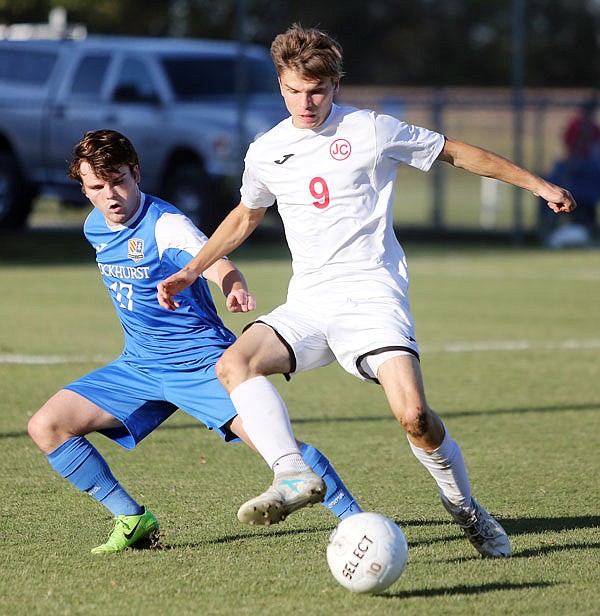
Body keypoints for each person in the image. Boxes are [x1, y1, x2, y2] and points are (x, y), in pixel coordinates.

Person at [157, 25, 577, 558]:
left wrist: (538, 185)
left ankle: (465, 508)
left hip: (372, 296)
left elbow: (455, 153)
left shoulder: (371, 130)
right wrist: (193, 270)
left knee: (415, 419)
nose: (305, 102)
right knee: (234, 364)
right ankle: (292, 475)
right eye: (293, 90)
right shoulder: (266, 150)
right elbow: (246, 214)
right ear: (279, 85)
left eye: (317, 90)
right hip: (309, 300)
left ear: (334, 85)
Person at [27, 129, 361, 555]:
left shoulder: (166, 225)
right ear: (83, 187)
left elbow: (214, 261)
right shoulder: (95, 226)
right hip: (140, 366)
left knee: (284, 454)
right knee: (47, 426)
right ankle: (132, 519)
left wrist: (232, 283)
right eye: (97, 186)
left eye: (120, 181)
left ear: (137, 173)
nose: (111, 195)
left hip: (202, 365)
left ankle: (356, 522)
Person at [540, 97, 600, 247]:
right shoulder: (577, 125)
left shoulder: (592, 127)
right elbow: (569, 145)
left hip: (586, 172)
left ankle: (584, 230)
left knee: (585, 205)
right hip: (575, 169)